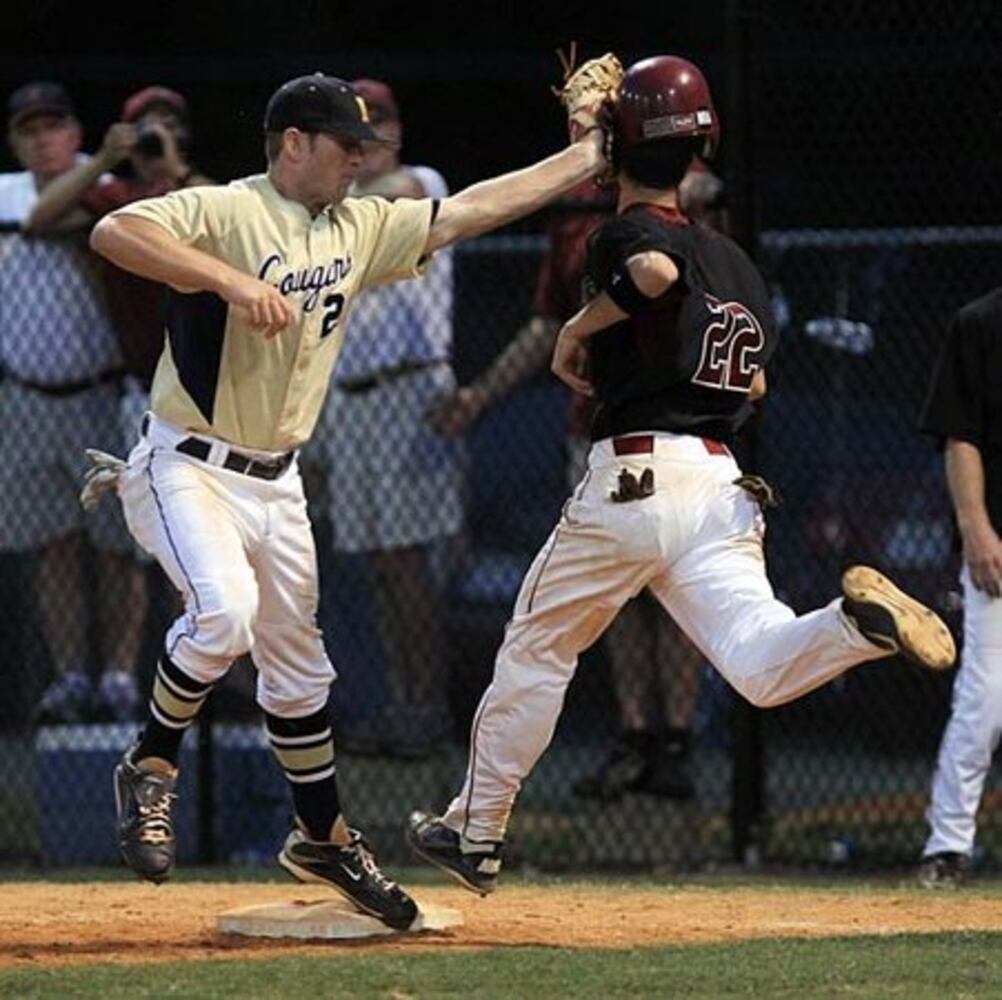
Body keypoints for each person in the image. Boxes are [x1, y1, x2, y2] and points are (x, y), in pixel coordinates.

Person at [406, 54, 957, 896]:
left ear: (621, 146)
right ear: (702, 146)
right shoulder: (735, 262)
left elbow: (653, 274)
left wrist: (577, 328)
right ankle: (854, 627)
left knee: (539, 646)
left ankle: (475, 832)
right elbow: (756, 382)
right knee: (760, 662)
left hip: (635, 479)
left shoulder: (627, 233)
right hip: (721, 486)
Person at [88, 71, 611, 930]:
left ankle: (324, 839)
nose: (359, 160)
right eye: (345, 145)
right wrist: (227, 281)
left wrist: (587, 155)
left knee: (299, 673)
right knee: (224, 616)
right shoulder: (228, 208)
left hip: (277, 480)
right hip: (186, 465)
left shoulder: (356, 227)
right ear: (294, 143)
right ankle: (149, 765)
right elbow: (116, 231)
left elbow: (471, 210)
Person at [431, 163, 730, 802]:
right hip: (595, 425)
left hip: (675, 423)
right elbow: (549, 321)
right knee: (617, 592)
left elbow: (704, 277)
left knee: (673, 584)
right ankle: (635, 735)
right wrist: (481, 395)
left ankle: (676, 741)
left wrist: (703, 202)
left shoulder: (676, 183)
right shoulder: (573, 204)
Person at [311, 79, 461, 758]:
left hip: (410, 390)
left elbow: (400, 193)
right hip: (347, 396)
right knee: (375, 563)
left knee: (407, 561)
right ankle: (403, 704)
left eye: (376, 127)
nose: (366, 141)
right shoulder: (334, 211)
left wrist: (330, 186)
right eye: (353, 130)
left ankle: (427, 709)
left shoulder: (418, 183)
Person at [0, 81, 147, 723]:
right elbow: (37, 216)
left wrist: (102, 162)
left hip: (99, 393)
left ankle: (117, 675)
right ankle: (68, 677)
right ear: (15, 141)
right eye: (28, 130)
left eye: (53, 126)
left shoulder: (103, 188)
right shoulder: (4, 194)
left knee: (117, 544)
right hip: (26, 395)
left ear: (75, 132)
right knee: (52, 543)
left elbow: (56, 217)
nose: (42, 140)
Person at [916, 287, 1002, 888]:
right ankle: (947, 846)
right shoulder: (982, 322)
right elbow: (959, 436)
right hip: (999, 541)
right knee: (985, 696)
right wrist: (976, 528)